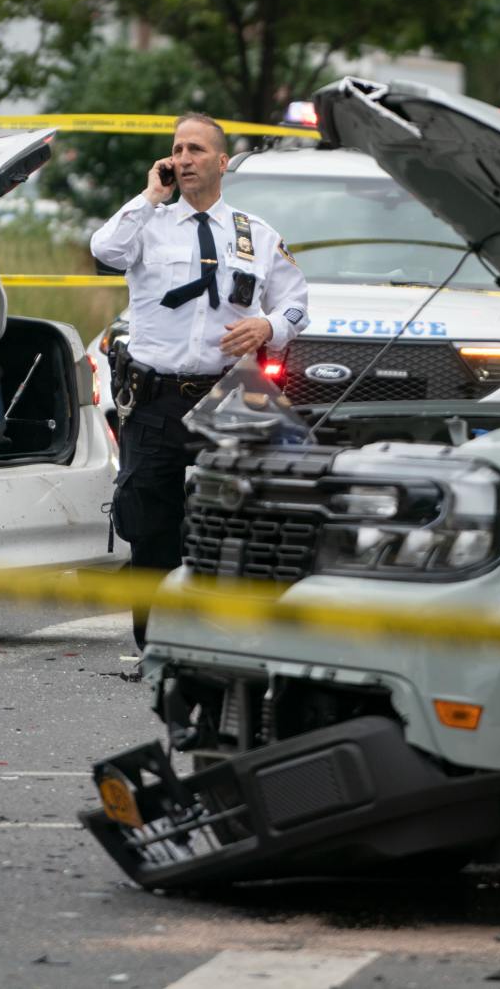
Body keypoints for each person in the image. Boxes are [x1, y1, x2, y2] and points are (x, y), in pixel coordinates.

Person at [90, 113, 310, 644]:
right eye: (176, 150)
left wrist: (268, 325)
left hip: (232, 391)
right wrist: (149, 197)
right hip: (155, 392)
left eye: (195, 150)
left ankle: (236, 640)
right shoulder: (148, 224)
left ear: (221, 161)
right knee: (150, 525)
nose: (183, 159)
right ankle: (154, 646)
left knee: (248, 516)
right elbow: (105, 251)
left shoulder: (256, 234)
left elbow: (298, 306)